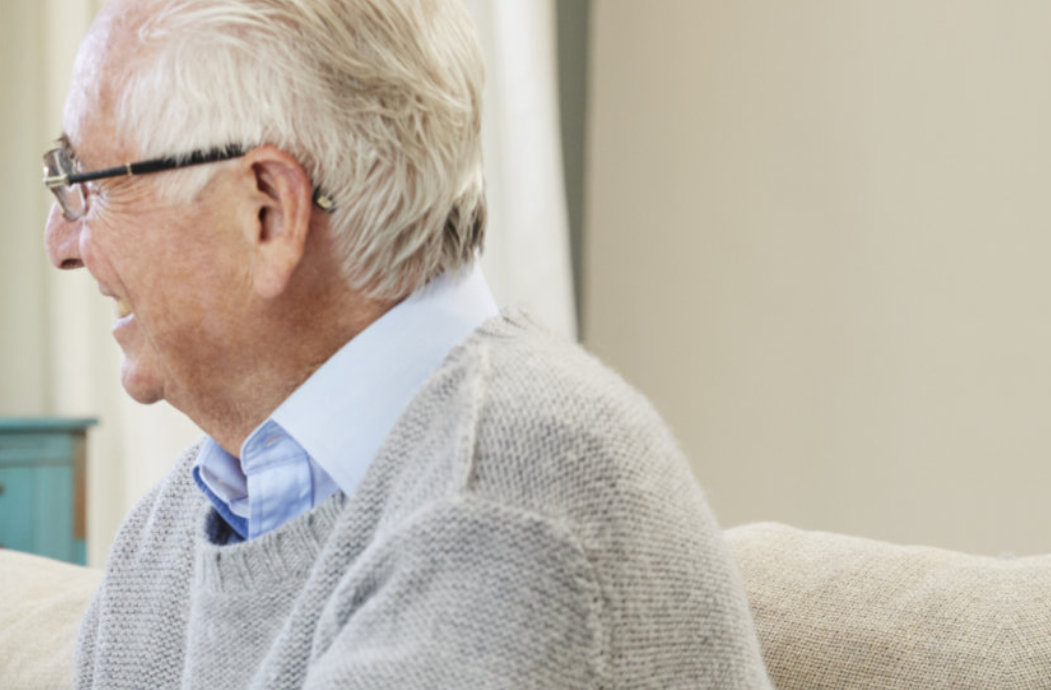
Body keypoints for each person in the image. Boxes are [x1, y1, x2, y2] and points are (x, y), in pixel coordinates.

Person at [45, 0, 771, 687]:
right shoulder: (170, 533)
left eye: (88, 184)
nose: (60, 244)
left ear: (267, 212)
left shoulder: (513, 506)